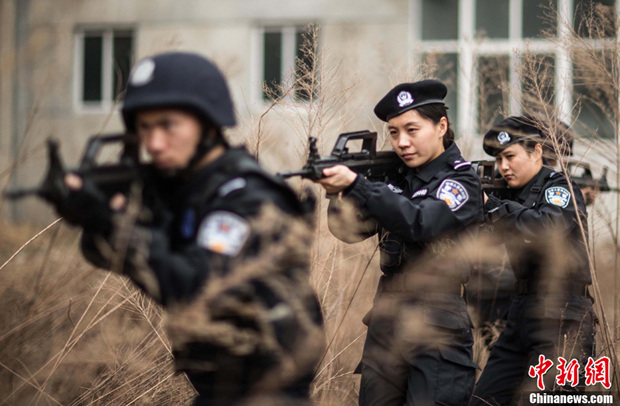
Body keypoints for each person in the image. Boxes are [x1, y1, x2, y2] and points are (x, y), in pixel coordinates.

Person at [48, 51, 324, 405]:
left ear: (208, 124)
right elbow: (110, 256)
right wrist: (93, 216)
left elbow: (195, 286)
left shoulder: (248, 199)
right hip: (218, 392)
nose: (154, 143)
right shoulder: (191, 190)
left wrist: (110, 221)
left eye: (168, 125)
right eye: (144, 127)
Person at [316, 80, 483, 406]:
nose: (402, 142)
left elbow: (422, 222)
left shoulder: (460, 181)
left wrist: (361, 186)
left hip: (438, 318)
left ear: (441, 126)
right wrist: (340, 194)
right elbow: (350, 231)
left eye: (412, 130)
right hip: (387, 315)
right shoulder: (395, 175)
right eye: (393, 133)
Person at [470, 116, 596, 405]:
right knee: (484, 400)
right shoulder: (511, 195)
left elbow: (545, 228)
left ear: (537, 151)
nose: (503, 166)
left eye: (510, 156)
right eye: (498, 159)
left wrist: (493, 207)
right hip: (521, 312)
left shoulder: (560, 187)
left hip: (563, 313)